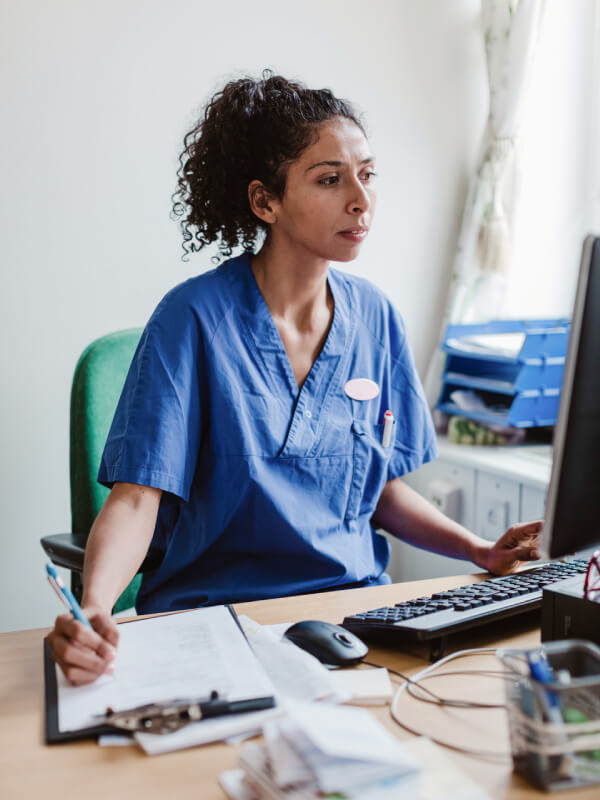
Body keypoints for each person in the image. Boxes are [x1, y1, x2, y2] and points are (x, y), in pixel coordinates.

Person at [47, 72, 542, 685]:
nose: (361, 198)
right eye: (331, 179)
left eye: (367, 173)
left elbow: (375, 488)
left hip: (353, 618)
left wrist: (478, 550)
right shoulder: (192, 318)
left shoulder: (376, 318)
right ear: (265, 202)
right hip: (218, 620)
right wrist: (95, 606)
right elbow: (137, 496)